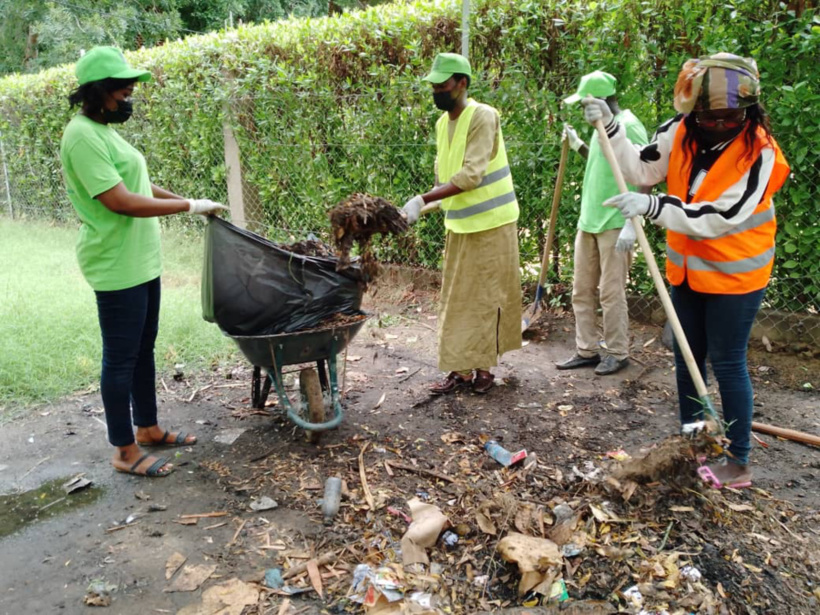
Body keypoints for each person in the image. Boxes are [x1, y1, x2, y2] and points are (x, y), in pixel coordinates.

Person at [582, 53, 790, 489]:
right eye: (708, 115)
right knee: (686, 357)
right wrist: (611, 128)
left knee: (729, 363)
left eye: (730, 115)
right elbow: (638, 167)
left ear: (748, 110)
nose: (718, 123)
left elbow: (722, 214)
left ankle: (737, 460)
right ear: (693, 110)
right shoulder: (679, 132)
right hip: (688, 272)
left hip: (736, 275)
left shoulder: (760, 152)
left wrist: (654, 206)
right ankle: (694, 442)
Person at [60, 47, 227, 477]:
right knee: (120, 358)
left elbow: (139, 183)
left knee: (143, 351)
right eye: (122, 90)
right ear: (97, 92)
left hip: (141, 260)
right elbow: (118, 200)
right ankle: (123, 449)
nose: (129, 96)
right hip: (116, 264)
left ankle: (148, 429)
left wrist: (193, 203)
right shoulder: (80, 135)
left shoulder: (104, 131)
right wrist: (188, 207)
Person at [402, 53, 521, 395]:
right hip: (461, 225)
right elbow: (447, 181)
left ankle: (483, 370)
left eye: (444, 84)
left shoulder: (483, 117)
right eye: (434, 85)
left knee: (485, 298)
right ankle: (461, 370)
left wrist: (422, 199)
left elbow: (470, 176)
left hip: (492, 224)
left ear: (463, 83)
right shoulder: (443, 125)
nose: (437, 90)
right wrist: (413, 210)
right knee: (458, 301)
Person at [558, 71, 649, 376]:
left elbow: (644, 174)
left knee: (611, 293)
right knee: (581, 290)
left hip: (614, 223)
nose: (582, 111)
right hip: (589, 221)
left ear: (598, 101)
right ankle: (586, 349)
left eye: (585, 104)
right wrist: (579, 144)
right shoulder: (599, 127)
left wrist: (631, 224)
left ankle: (618, 352)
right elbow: (604, 164)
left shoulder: (630, 127)